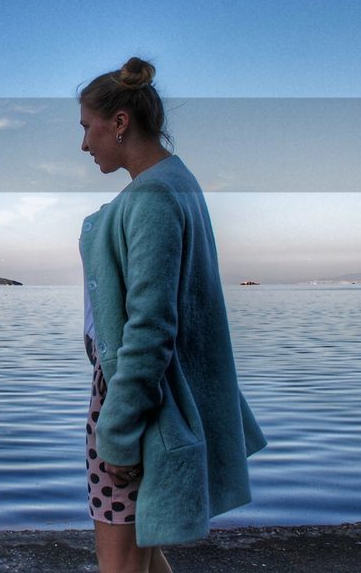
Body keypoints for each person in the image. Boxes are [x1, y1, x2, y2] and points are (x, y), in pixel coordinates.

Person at [78, 57, 266, 573]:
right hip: (143, 394)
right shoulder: (173, 184)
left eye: (87, 127)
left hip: (133, 399)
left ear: (119, 122)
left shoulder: (155, 196)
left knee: (120, 562)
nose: (84, 144)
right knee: (141, 550)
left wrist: (116, 428)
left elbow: (151, 326)